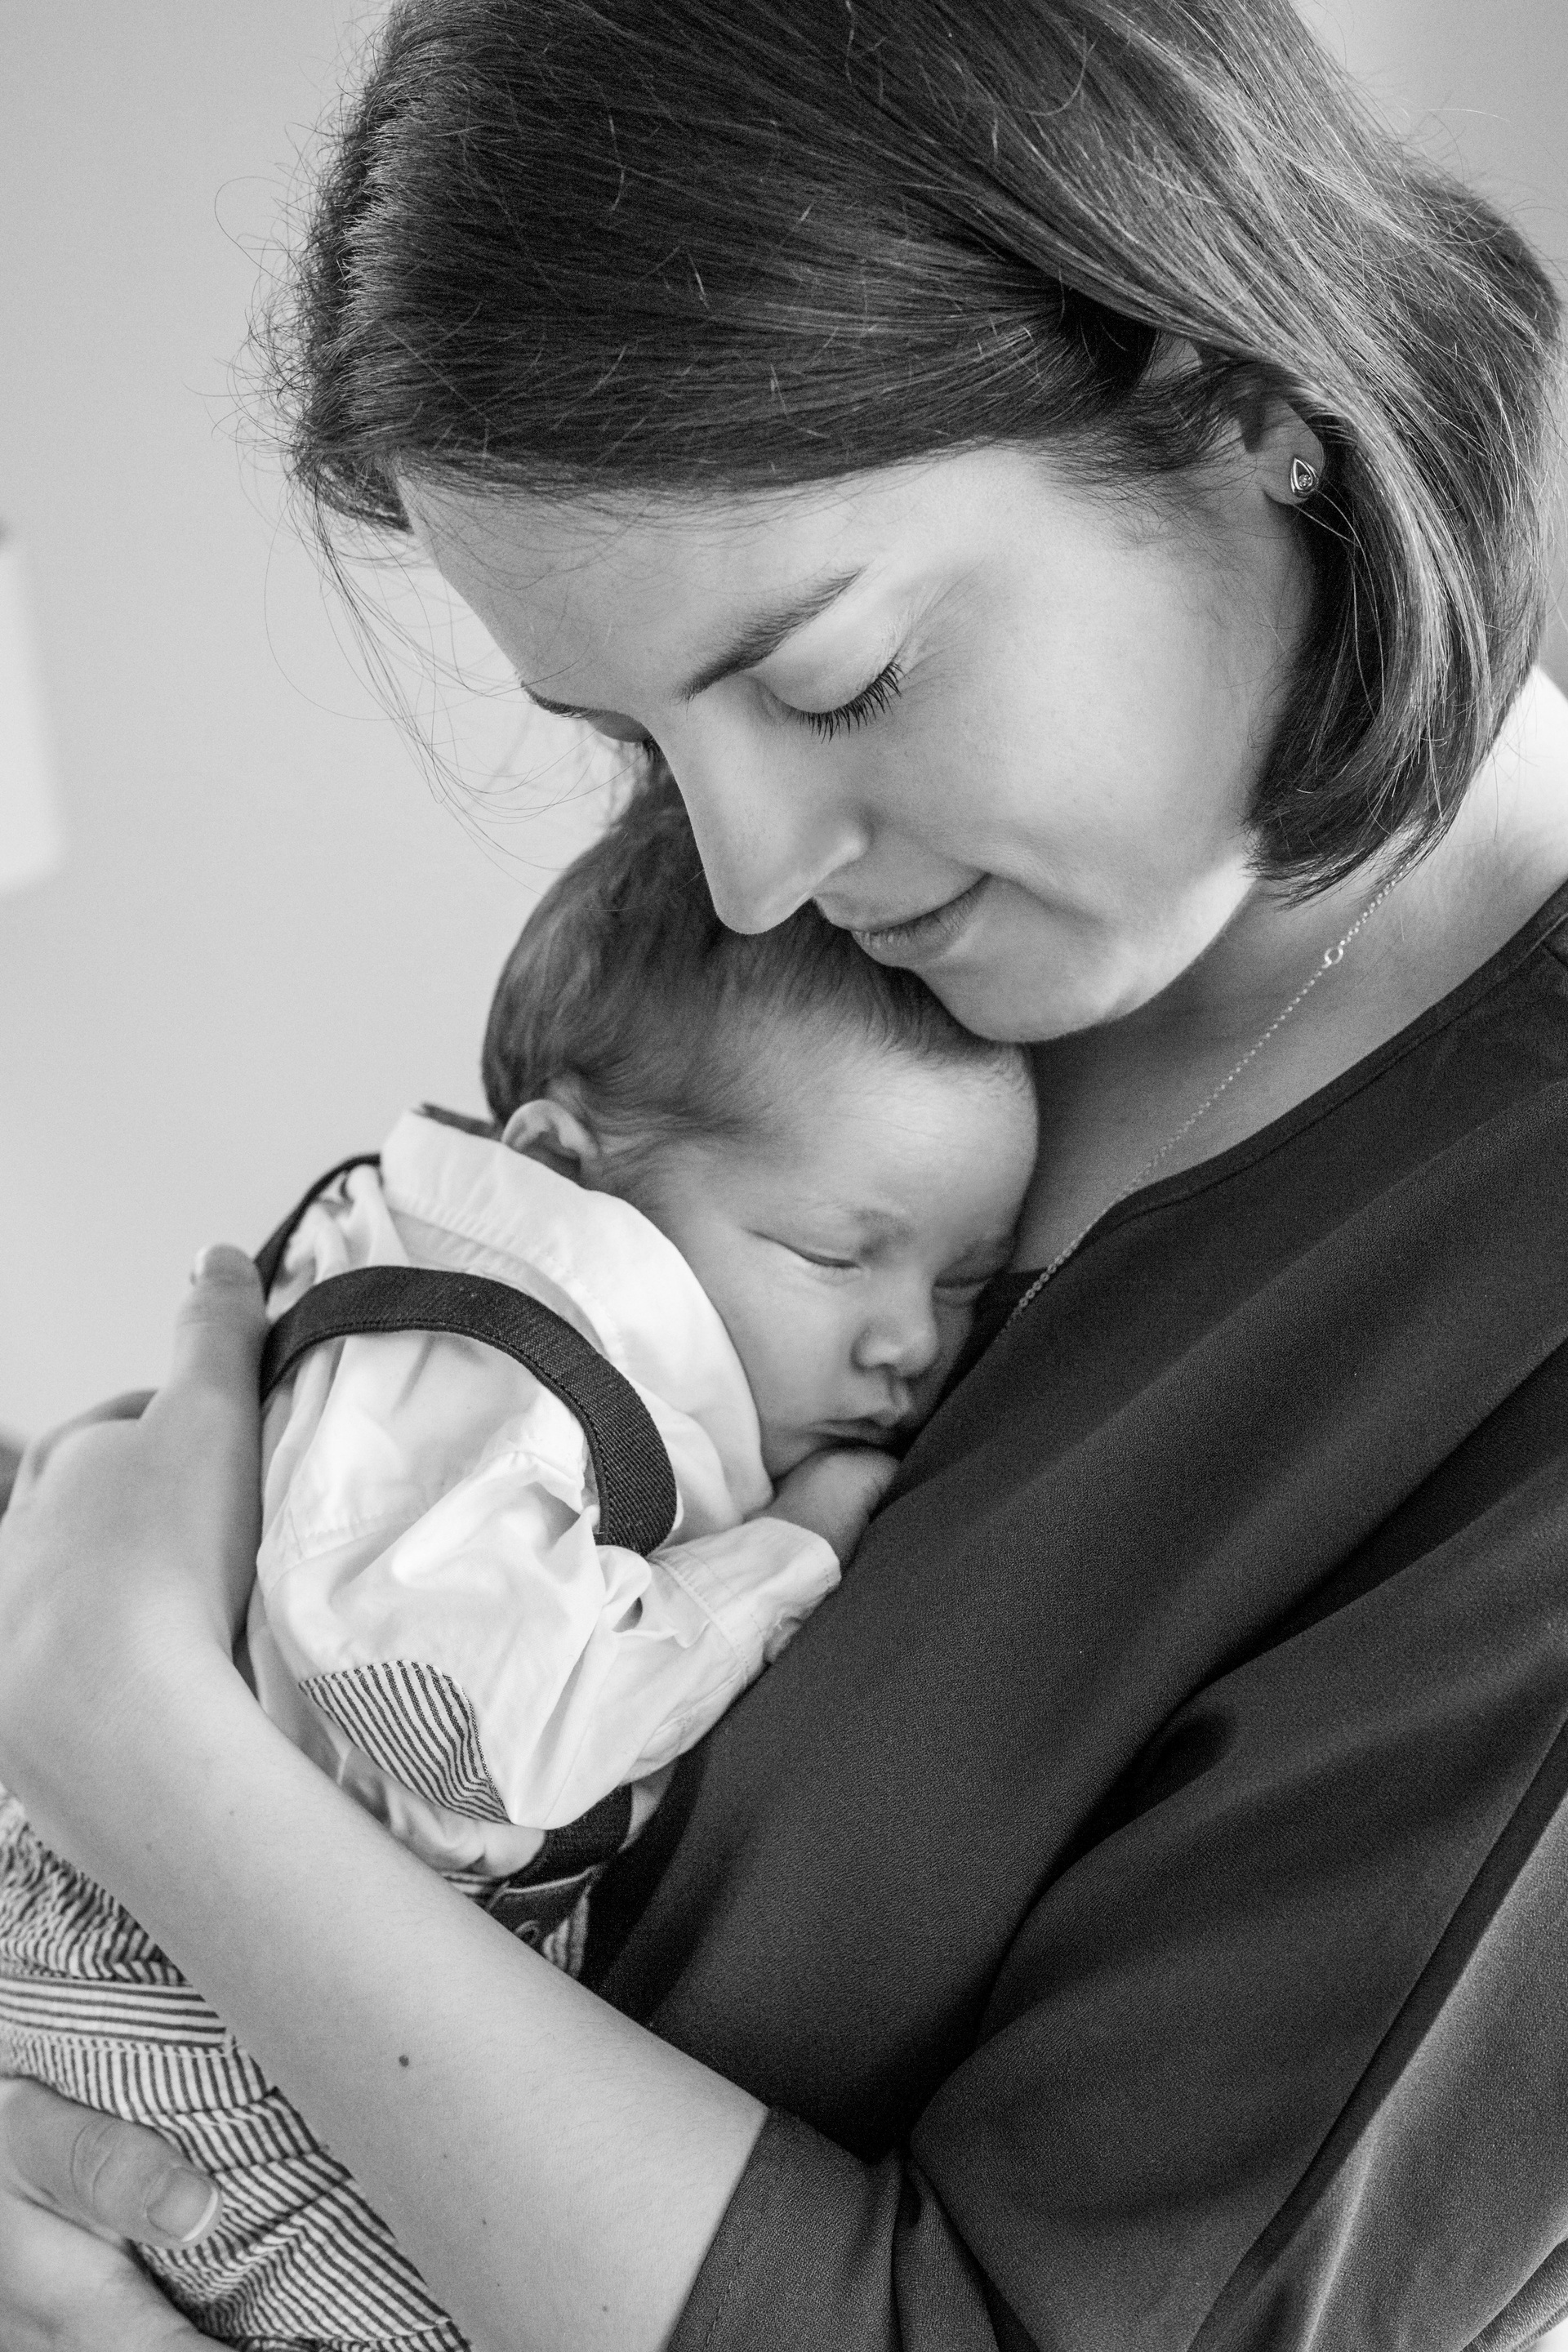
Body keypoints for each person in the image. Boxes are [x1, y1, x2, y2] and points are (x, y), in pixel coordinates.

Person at [2, 0, 1566, 2345]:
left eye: (835, 683)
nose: (742, 875)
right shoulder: (943, 939)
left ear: (1244, 402)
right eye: (637, 739)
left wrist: (129, 1737)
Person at [0, 768, 1036, 2348]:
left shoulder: (544, 1351)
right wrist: (795, 1552)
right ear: (561, 1164)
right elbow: (486, 1743)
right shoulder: (489, 1380)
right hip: (174, 2000)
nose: (909, 1339)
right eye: (837, 1255)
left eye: (963, 1284)